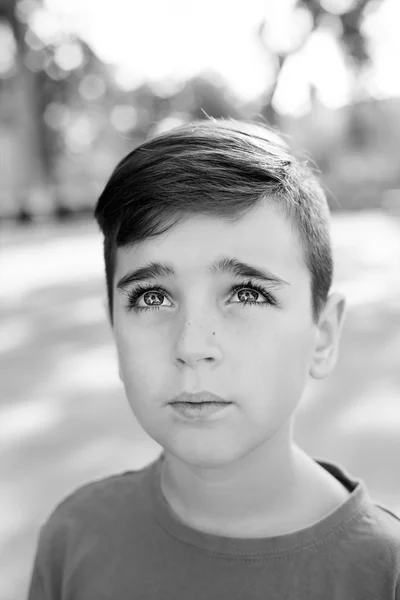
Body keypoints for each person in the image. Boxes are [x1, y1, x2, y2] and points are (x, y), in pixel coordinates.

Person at [27, 119, 400, 599]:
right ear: (115, 329)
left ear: (322, 335)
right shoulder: (73, 539)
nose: (191, 345)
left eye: (246, 294)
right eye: (152, 297)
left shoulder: (381, 573)